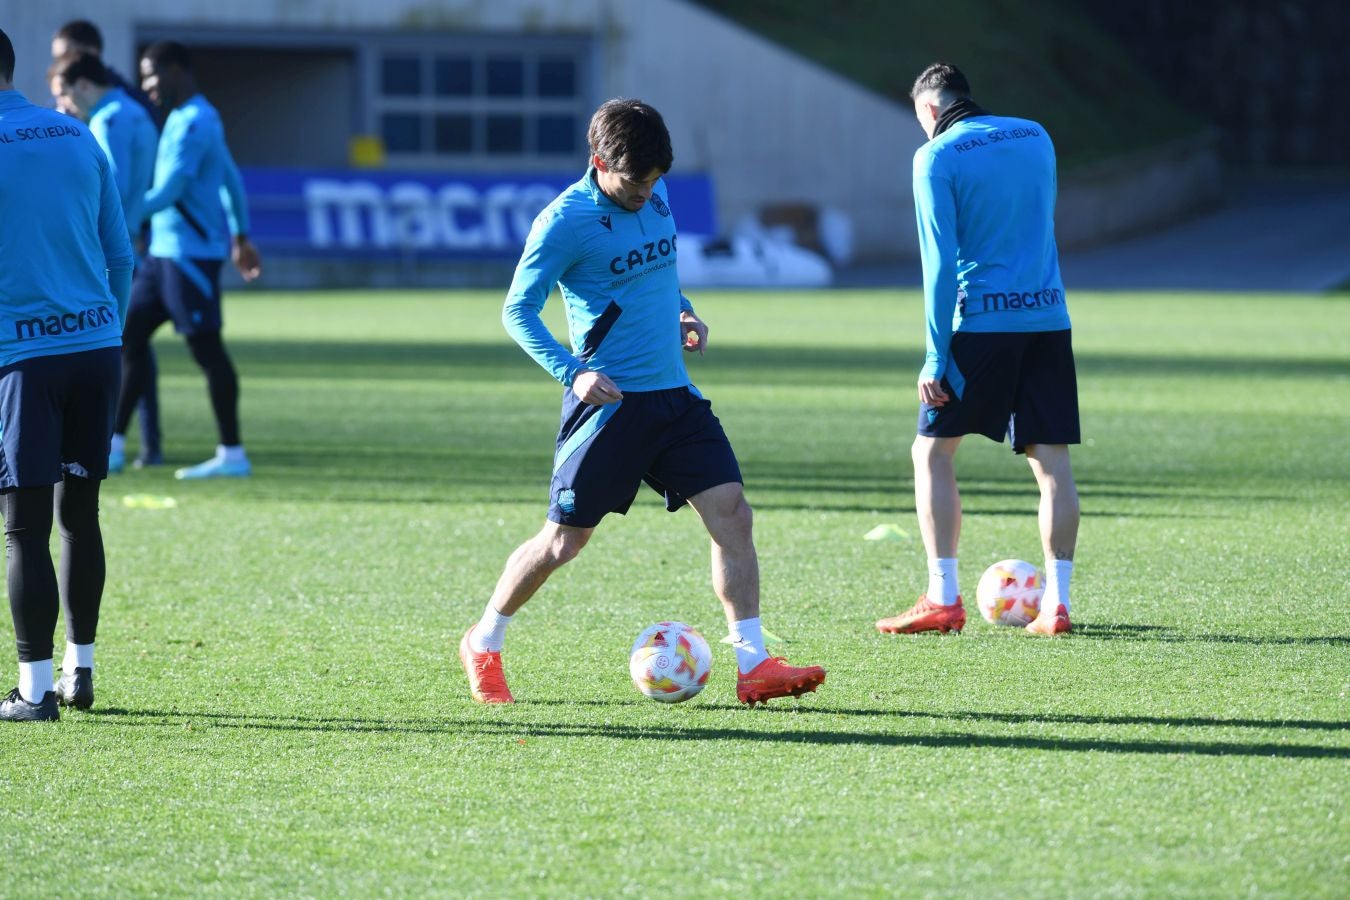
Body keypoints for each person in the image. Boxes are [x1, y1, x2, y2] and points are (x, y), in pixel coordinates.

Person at [460, 98, 826, 706]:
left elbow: (659, 269)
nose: (646, 191)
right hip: (609, 406)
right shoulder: (563, 221)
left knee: (732, 513)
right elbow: (516, 311)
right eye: (635, 180)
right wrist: (572, 373)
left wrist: (682, 309)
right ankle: (484, 639)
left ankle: (754, 663)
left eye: (656, 179)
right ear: (599, 161)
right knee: (563, 543)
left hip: (675, 398)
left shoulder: (652, 196)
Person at [876, 62, 1080, 638]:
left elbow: (939, 265)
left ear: (930, 111)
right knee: (1052, 463)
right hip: (1049, 319)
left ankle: (943, 597)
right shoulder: (1035, 135)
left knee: (932, 453)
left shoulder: (935, 157)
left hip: (984, 326)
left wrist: (935, 355)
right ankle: (1057, 605)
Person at [0, 28, 134, 721]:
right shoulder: (75, 135)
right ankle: (80, 674)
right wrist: (100, 324)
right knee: (79, 516)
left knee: (23, 528)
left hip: (22, 359)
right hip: (97, 348)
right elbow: (120, 252)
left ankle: (35, 688)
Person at [116, 40, 262, 480]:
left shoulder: (195, 121)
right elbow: (231, 179)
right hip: (163, 256)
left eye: (150, 75)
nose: (146, 85)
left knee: (207, 350)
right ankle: (113, 446)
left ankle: (232, 453)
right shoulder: (186, 118)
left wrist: (116, 218)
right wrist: (241, 235)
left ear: (177, 70)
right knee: (125, 339)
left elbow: (171, 192)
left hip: (189, 259)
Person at [51, 20, 164, 467]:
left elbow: (109, 187)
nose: (63, 103)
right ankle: (136, 442)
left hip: (114, 248)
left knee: (117, 341)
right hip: (136, 242)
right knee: (133, 341)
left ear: (80, 83)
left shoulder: (111, 119)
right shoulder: (124, 110)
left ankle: (107, 440)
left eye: (65, 92)